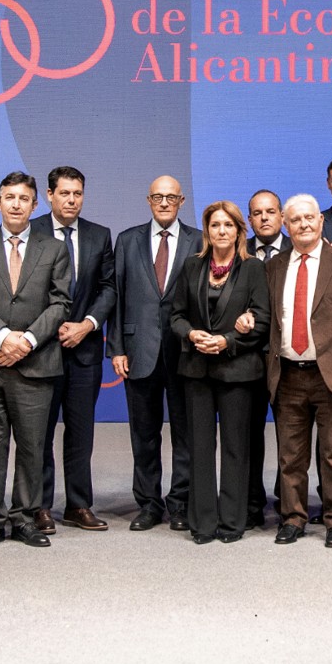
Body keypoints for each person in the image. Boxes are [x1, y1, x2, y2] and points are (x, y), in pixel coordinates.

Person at [0, 171, 73, 549]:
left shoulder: (53, 249)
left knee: (31, 447)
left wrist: (28, 341)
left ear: (35, 205)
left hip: (36, 363)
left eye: (24, 199)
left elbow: (61, 303)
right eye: (10, 197)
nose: (16, 204)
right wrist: (4, 337)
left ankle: (23, 519)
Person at [264, 195, 332, 547]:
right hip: (288, 375)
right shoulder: (275, 266)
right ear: (286, 224)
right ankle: (293, 518)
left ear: (321, 221)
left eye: (310, 217)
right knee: (290, 456)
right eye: (296, 220)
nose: (304, 224)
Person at [169, 200, 271, 544]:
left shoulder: (253, 268)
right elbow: (176, 315)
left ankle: (231, 522)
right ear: (207, 231)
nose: (222, 231)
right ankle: (202, 523)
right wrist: (191, 334)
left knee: (235, 448)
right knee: (199, 448)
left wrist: (228, 340)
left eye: (228, 225)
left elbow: (263, 320)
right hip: (196, 369)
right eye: (215, 225)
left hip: (237, 370)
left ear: (240, 231)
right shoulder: (192, 266)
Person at [110, 176, 201, 531]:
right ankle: (148, 504)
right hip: (138, 351)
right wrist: (117, 347)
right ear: (149, 200)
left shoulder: (199, 240)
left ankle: (180, 503)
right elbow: (117, 296)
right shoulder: (127, 240)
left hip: (185, 353)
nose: (164, 203)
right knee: (144, 435)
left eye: (171, 197)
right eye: (158, 197)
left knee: (185, 434)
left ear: (181, 201)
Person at [34, 167, 117, 534]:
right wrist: (49, 327)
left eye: (77, 193)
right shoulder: (31, 232)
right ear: (50, 195)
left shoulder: (100, 235)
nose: (71, 200)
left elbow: (108, 288)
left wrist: (87, 324)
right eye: (64, 193)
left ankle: (78, 505)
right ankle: (39, 506)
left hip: (85, 349)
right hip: (41, 350)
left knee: (81, 431)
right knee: (39, 433)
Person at [242, 188, 290, 527]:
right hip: (247, 357)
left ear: (282, 217)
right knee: (248, 435)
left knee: (291, 436)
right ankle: (251, 503)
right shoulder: (237, 251)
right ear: (249, 220)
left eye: (270, 211)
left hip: (288, 358)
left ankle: (290, 503)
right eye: (257, 213)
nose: (264, 218)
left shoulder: (301, 248)